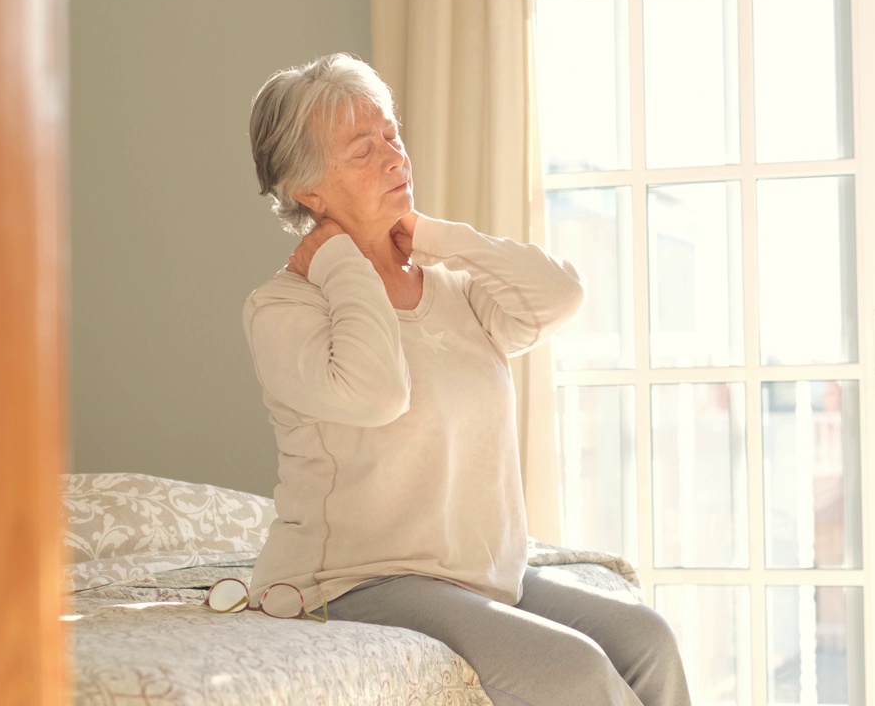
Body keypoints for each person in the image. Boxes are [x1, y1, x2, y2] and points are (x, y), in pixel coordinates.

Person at [243, 52, 691, 706]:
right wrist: (342, 257)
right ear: (307, 190)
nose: (395, 158)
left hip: (481, 574)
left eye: (392, 136)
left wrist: (431, 237)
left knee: (649, 638)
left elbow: (560, 294)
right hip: (355, 581)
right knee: (573, 670)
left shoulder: (454, 291)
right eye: (363, 151)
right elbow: (376, 391)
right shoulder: (284, 308)